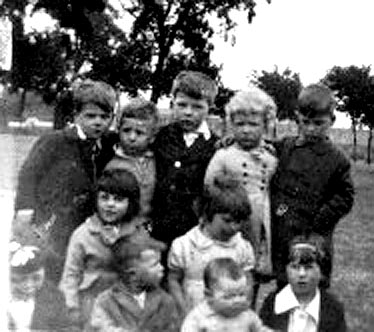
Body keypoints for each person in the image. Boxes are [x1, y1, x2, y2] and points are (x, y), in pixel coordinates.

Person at [13, 79, 117, 283]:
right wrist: (25, 209)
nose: (98, 122)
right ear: (76, 115)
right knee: (48, 274)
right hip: (50, 220)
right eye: (90, 116)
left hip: (84, 225)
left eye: (104, 117)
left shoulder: (107, 146)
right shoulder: (55, 141)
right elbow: (29, 175)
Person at [270, 83, 354, 288]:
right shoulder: (285, 147)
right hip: (283, 236)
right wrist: (231, 142)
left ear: (331, 121)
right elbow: (258, 148)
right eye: (305, 122)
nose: (310, 129)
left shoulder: (337, 160)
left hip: (314, 239)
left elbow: (345, 197)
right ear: (297, 116)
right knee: (284, 289)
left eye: (318, 123)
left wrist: (318, 222)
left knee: (314, 294)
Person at [59, 168, 148, 328]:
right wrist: (71, 308)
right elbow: (71, 275)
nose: (110, 205)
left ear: (130, 203)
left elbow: (145, 270)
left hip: (126, 305)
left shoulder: (137, 233)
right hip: (91, 304)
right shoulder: (83, 234)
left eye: (118, 199)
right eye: (104, 198)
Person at [205, 87, 278, 279]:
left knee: (251, 271)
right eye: (239, 124)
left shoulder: (271, 157)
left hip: (260, 223)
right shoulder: (223, 155)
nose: (246, 130)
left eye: (253, 124)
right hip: (230, 221)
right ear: (231, 124)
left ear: (265, 125)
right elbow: (209, 187)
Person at [167, 174, 255, 316]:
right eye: (227, 220)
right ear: (207, 215)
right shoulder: (185, 245)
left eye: (239, 221)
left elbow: (248, 280)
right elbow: (173, 280)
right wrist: (183, 312)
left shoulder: (242, 247)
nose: (234, 227)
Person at [152, 70, 219, 248]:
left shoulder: (216, 146)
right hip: (159, 228)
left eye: (197, 107)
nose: (188, 112)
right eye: (182, 105)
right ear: (173, 103)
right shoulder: (160, 136)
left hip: (194, 231)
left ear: (209, 108)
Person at [86, 234, 180, 332]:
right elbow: (100, 328)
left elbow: (172, 328)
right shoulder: (105, 302)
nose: (161, 268)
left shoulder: (166, 301)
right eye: (155, 264)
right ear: (133, 274)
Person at [259, 235, 347, 332]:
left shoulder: (332, 308)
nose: (301, 274)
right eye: (295, 267)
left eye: (308, 267)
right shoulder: (272, 304)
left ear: (321, 271)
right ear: (286, 270)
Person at [181, 257, 273, 332]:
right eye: (229, 297)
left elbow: (261, 330)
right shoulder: (198, 318)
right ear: (209, 295)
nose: (237, 300)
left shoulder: (246, 314)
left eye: (241, 294)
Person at [105, 97, 158, 219]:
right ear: (119, 130)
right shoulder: (113, 164)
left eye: (139, 133)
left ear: (152, 137)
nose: (132, 137)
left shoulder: (156, 160)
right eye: (126, 130)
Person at [7, 241, 73, 331]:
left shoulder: (54, 296)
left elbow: (66, 328)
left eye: (36, 278)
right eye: (21, 280)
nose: (29, 285)